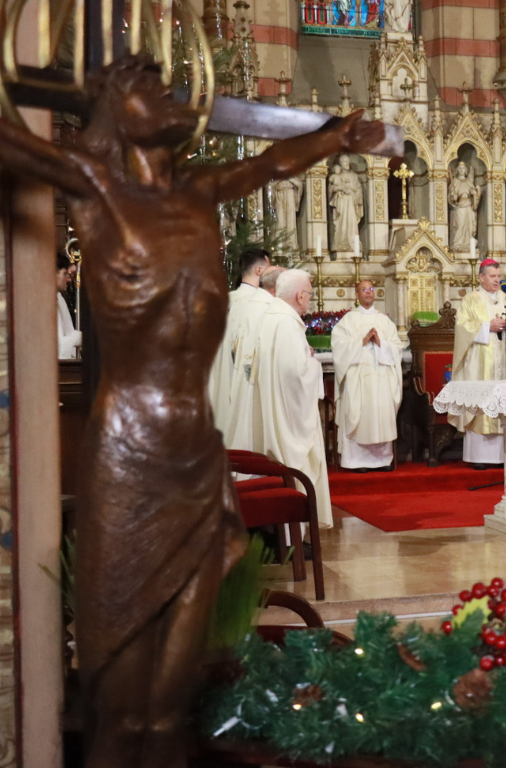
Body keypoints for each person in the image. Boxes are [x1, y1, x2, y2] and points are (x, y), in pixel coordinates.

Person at [0, 52, 385, 768]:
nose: (169, 97)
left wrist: (338, 137)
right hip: (126, 449)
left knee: (170, 705)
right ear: (115, 109)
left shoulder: (200, 193)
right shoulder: (96, 189)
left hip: (196, 453)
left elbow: (270, 164)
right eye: (147, 88)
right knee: (120, 697)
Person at [252, 270, 334, 528]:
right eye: (309, 294)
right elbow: (295, 376)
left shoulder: (270, 318)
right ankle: (292, 535)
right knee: (296, 467)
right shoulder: (287, 323)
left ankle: (289, 535)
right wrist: (312, 364)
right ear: (300, 296)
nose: (309, 299)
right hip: (289, 418)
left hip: (273, 408)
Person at [449, 259, 506, 467]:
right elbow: (462, 326)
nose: (497, 280)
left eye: (498, 276)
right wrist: (487, 326)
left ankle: (505, 456)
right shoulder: (471, 300)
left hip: (504, 358)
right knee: (482, 401)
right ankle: (479, 458)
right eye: (492, 276)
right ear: (481, 277)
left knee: (504, 402)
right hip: (479, 360)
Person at [331, 279, 404, 471]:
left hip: (381, 377)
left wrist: (381, 343)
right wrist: (361, 342)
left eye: (371, 289)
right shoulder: (348, 320)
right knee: (359, 413)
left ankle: (382, 460)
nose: (368, 292)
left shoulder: (384, 321)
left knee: (381, 416)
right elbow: (338, 347)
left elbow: (397, 346)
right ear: (357, 295)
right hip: (358, 377)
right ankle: (356, 461)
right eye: (363, 289)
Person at [208, 248, 272, 450]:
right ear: (260, 271)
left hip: (221, 371)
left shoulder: (226, 300)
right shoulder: (260, 304)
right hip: (247, 375)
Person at [329, 156, 363, 253]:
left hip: (352, 201)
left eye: (348, 161)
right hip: (341, 201)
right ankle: (341, 242)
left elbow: (359, 189)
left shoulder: (354, 176)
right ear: (340, 164)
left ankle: (352, 243)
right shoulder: (337, 175)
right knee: (342, 221)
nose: (347, 163)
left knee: (352, 222)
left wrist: (354, 194)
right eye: (344, 162)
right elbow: (331, 189)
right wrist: (340, 189)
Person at [448, 161, 481, 252]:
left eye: (463, 169)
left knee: (469, 226)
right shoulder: (455, 181)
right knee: (460, 225)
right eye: (460, 169)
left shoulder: (469, 181)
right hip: (459, 206)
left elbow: (475, 193)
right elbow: (451, 197)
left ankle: (468, 244)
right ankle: (458, 244)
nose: (462, 171)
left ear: (466, 171)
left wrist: (474, 193)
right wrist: (453, 197)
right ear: (457, 171)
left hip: (469, 206)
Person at [56, 251, 82, 359]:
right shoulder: (40, 300)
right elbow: (55, 347)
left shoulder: (59, 298)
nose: (69, 279)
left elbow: (69, 332)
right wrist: (77, 338)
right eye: (65, 274)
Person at [273, 175, 304, 250]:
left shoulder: (292, 173)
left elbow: (299, 185)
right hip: (279, 194)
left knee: (290, 218)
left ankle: (291, 242)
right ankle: (280, 242)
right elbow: (270, 186)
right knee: (280, 219)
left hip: (290, 194)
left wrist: (291, 180)